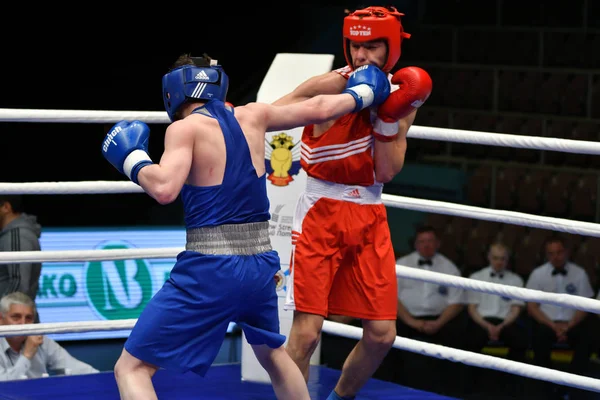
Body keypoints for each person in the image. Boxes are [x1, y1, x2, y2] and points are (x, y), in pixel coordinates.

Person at [101, 54, 392, 400]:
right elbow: (319, 108)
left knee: (131, 368)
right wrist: (363, 95)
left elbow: (164, 188)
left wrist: (132, 158)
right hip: (259, 266)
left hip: (209, 268)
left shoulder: (184, 129)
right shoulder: (253, 115)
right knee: (273, 355)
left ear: (173, 91)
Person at [272, 6, 432, 399]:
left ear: (390, 50)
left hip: (369, 215)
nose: (361, 56)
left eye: (371, 47)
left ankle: (340, 397)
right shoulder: (329, 84)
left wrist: (385, 118)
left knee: (381, 335)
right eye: (355, 46)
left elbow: (388, 171)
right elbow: (273, 112)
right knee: (306, 334)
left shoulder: (400, 96)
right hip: (320, 211)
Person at [392, 225, 467, 394]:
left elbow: (457, 301)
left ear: (438, 243)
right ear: (415, 244)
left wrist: (438, 323)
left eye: (430, 241)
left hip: (441, 320)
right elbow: (391, 297)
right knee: (387, 336)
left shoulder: (449, 267)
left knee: (459, 335)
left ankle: (448, 391)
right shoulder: (401, 264)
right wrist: (412, 321)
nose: (426, 245)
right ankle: (398, 388)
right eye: (422, 241)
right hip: (406, 319)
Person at [525, 235, 596, 398]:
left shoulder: (579, 273)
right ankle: (548, 387)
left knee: (587, 341)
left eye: (559, 252)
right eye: (551, 253)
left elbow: (586, 305)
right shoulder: (538, 274)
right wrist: (552, 325)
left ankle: (569, 386)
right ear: (546, 254)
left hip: (573, 323)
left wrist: (569, 325)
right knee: (538, 340)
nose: (555, 256)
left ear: (567, 252)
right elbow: (532, 306)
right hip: (547, 323)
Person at [465, 242, 528, 397]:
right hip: (481, 321)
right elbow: (472, 309)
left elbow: (516, 309)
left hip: (506, 322)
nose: (499, 262)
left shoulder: (516, 280)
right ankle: (471, 386)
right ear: (488, 257)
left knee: (521, 342)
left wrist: (500, 327)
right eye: (495, 258)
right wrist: (487, 326)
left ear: (508, 260)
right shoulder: (476, 277)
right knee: (468, 342)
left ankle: (512, 387)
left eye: (502, 258)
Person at [0, 291, 98, 381]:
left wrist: (102, 379)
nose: (23, 323)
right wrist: (27, 355)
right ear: (1, 319)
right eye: (16, 317)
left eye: (28, 318)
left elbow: (76, 368)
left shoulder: (40, 341)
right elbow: (3, 386)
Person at [0, 195, 42, 309]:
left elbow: (18, 284)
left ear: (6, 207)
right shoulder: (13, 235)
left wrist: (5, 318)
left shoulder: (17, 235)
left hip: (12, 321)